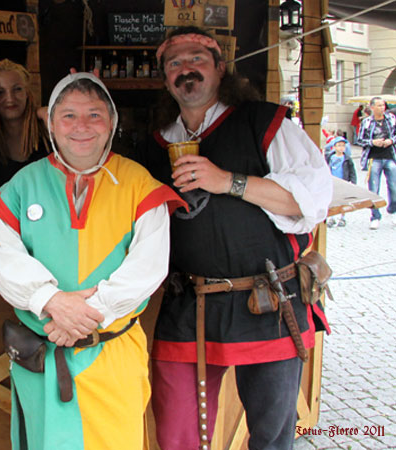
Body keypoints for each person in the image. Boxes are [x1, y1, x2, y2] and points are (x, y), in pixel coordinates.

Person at [135, 26, 332, 450]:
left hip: (266, 301)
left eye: (197, 59)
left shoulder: (264, 122)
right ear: (165, 79)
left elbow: (311, 201)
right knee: (177, 435)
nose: (186, 69)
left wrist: (228, 181)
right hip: (188, 303)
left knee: (270, 439)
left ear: (220, 68)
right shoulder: (155, 144)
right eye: (174, 63)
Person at [0, 72, 185, 449]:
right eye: (69, 115)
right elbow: (3, 255)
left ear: (112, 122)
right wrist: (50, 301)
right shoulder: (23, 184)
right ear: (51, 123)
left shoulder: (139, 185)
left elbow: (148, 267)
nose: (82, 126)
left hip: (111, 356)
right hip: (42, 359)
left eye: (94, 115)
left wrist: (87, 316)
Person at [0, 59, 51, 183]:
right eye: (0, 92)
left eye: (17, 89)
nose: (10, 99)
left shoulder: (46, 129)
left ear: (27, 92)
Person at [357, 96, 396, 229]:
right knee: (374, 188)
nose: (382, 108)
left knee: (394, 186)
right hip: (374, 157)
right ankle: (375, 216)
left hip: (389, 156)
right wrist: (373, 142)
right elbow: (360, 139)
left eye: (383, 105)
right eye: (379, 105)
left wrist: (391, 141)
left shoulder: (391, 119)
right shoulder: (367, 122)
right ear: (372, 107)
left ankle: (393, 210)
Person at [325, 136, 356, 227]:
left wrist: (353, 182)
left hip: (343, 181)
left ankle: (342, 217)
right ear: (334, 147)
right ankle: (332, 217)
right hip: (332, 182)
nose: (341, 147)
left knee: (343, 201)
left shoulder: (347, 159)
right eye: (339, 145)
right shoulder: (330, 157)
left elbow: (352, 171)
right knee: (332, 200)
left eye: (343, 145)